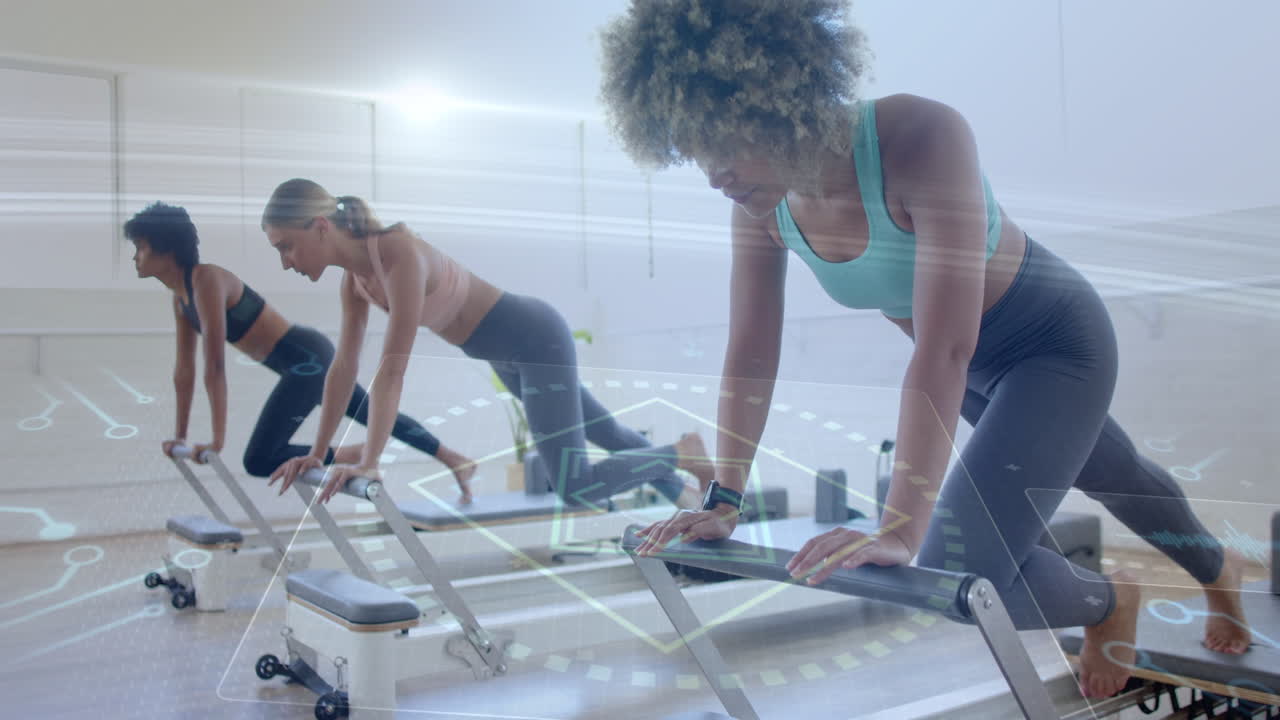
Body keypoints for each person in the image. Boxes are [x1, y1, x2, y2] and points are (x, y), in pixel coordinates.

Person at [599, 0, 1250, 699]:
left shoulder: (920, 137)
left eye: (723, 140)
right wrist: (724, 495)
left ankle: (1129, 591)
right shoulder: (762, 208)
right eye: (693, 147)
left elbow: (944, 346)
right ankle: (1189, 577)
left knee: (948, 569)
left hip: (1056, 345)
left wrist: (901, 524)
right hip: (977, 370)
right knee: (1121, 474)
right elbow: (751, 352)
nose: (713, 172)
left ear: (780, 96)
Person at [259, 179, 712, 509]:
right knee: (608, 433)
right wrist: (317, 453)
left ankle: (683, 453)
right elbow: (343, 369)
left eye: (287, 247)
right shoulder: (355, 284)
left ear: (320, 227)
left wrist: (371, 461)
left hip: (536, 342)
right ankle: (687, 492)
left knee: (576, 486)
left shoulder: (396, 251)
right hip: (510, 358)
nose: (285, 263)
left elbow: (391, 370)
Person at [125, 202, 476, 501]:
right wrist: (180, 435)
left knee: (259, 458)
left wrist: (216, 440)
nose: (135, 257)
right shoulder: (180, 299)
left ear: (166, 249)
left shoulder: (206, 281)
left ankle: (352, 452)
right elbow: (184, 372)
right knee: (371, 412)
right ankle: (453, 457)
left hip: (305, 360)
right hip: (299, 363)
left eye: (140, 247)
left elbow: (214, 364)